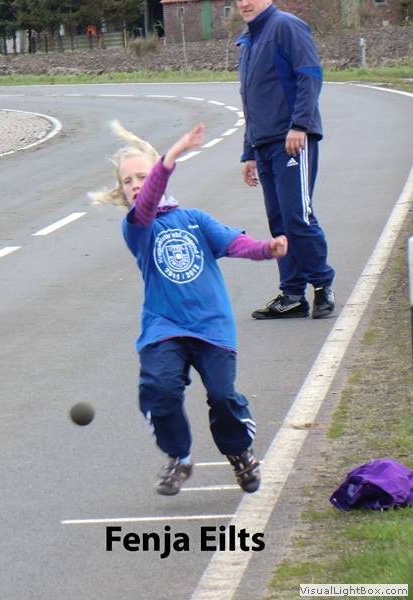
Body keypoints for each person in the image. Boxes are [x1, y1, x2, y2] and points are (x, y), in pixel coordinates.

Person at [92, 121, 288, 496]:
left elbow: (234, 243)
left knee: (223, 396)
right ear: (122, 190)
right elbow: (148, 201)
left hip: (211, 326)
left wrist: (267, 248)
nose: (136, 185)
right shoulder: (137, 227)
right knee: (159, 390)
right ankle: (179, 458)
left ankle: (239, 452)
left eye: (142, 176)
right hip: (164, 327)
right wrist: (173, 155)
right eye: (128, 181)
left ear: (156, 176)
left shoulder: (195, 220)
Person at [236, 0, 335, 320]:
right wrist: (249, 152)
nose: (244, 3)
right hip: (264, 144)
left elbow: (310, 75)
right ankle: (292, 295)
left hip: (292, 140)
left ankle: (322, 286)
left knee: (297, 216)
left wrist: (300, 125)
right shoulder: (247, 40)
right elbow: (250, 100)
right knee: (278, 220)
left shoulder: (286, 26)